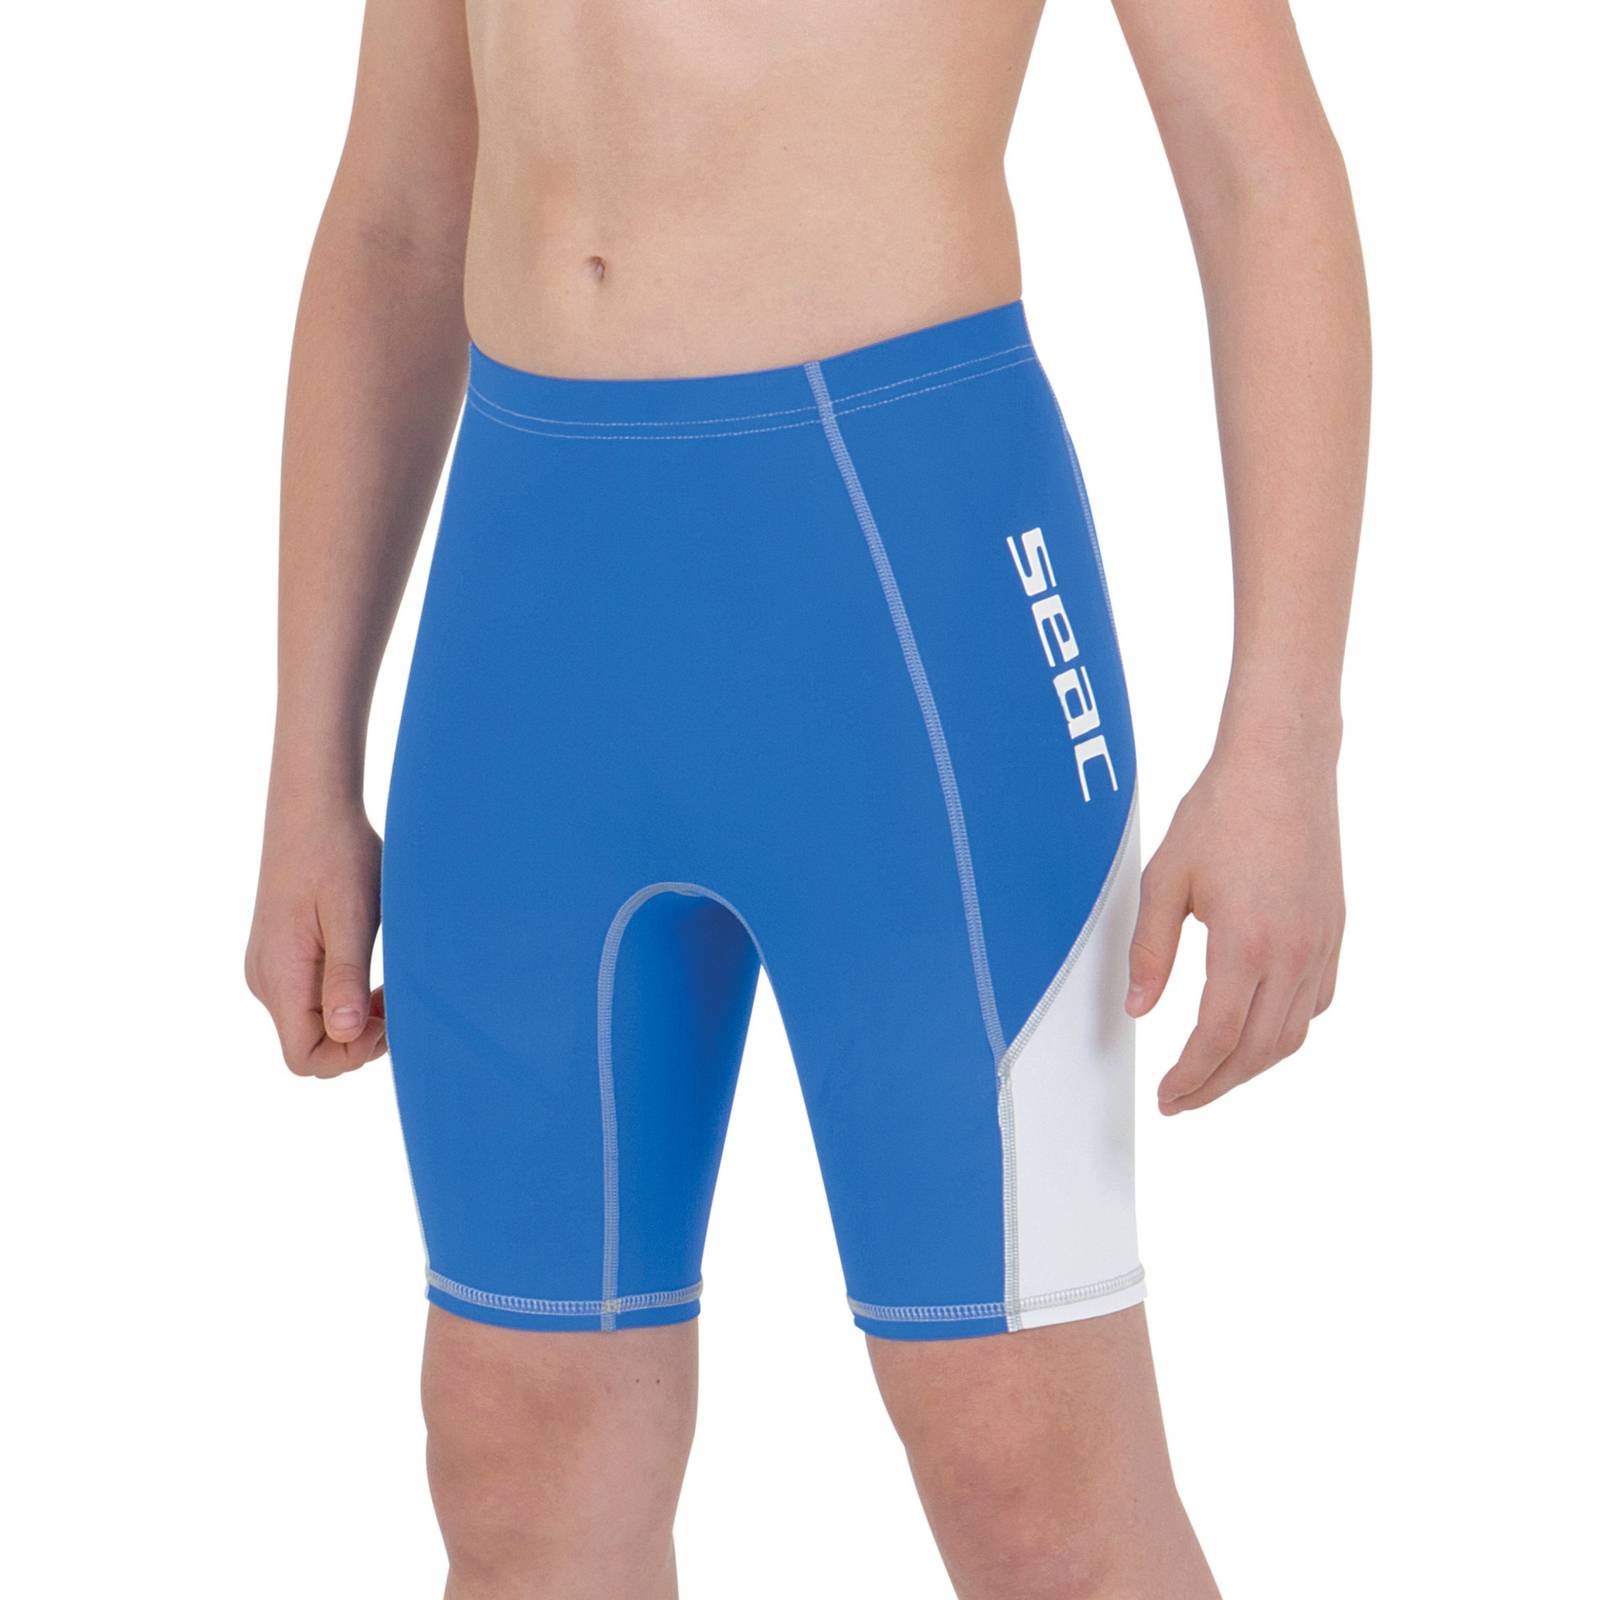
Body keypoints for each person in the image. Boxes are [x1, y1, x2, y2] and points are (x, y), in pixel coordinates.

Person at [245, 0, 1366, 1592]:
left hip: (905, 599)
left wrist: (1285, 743)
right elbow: (399, 215)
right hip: (527, 632)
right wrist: (308, 762)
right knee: (514, 1444)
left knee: (1028, 1466)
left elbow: (1263, 173)